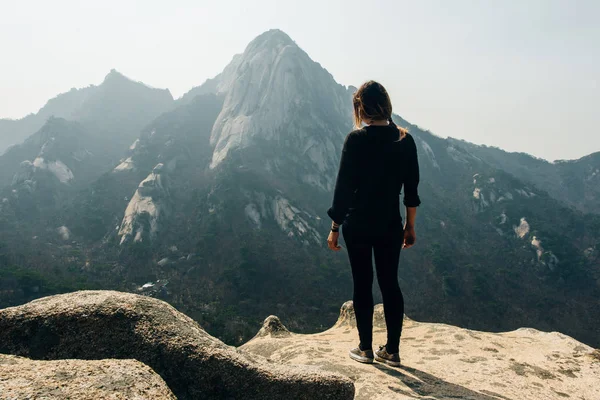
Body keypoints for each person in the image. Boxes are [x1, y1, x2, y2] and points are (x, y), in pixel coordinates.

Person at [327, 80, 421, 367]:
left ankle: (365, 349)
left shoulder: (355, 141)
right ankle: (392, 351)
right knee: (390, 283)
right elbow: (411, 191)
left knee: (362, 283)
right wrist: (410, 226)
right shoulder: (404, 140)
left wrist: (334, 228)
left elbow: (343, 189)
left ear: (361, 110)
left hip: (357, 224)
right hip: (390, 223)